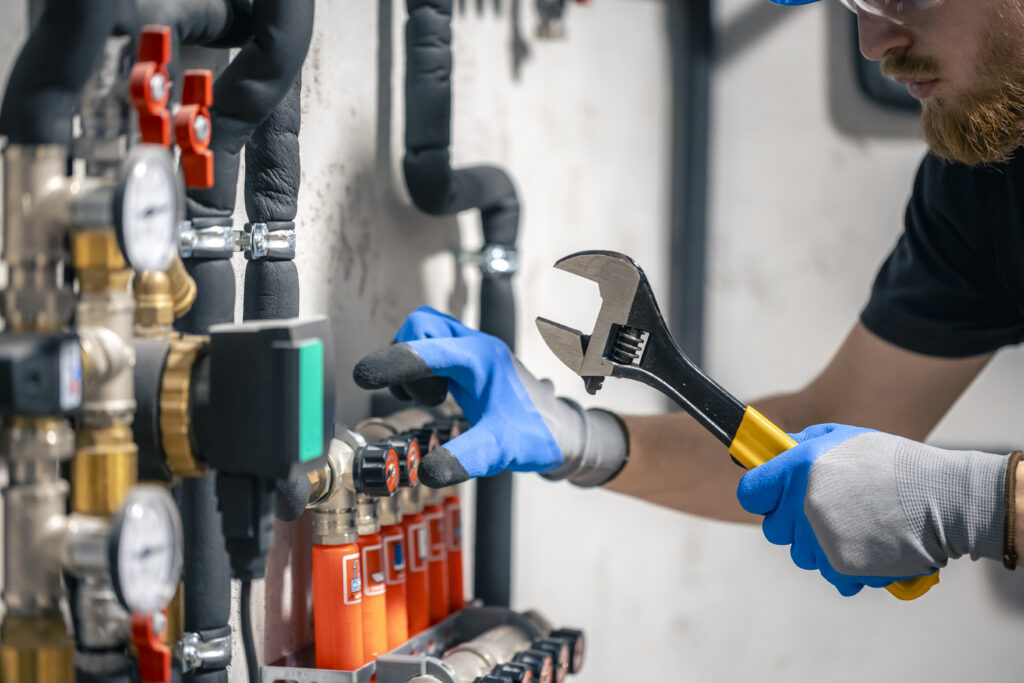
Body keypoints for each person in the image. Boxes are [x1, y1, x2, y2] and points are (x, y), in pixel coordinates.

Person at [354, 0, 1024, 596]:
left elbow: (939, 490)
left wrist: (983, 503)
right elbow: (834, 428)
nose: (873, 44)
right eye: (853, 4)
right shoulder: (978, 188)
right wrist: (578, 437)